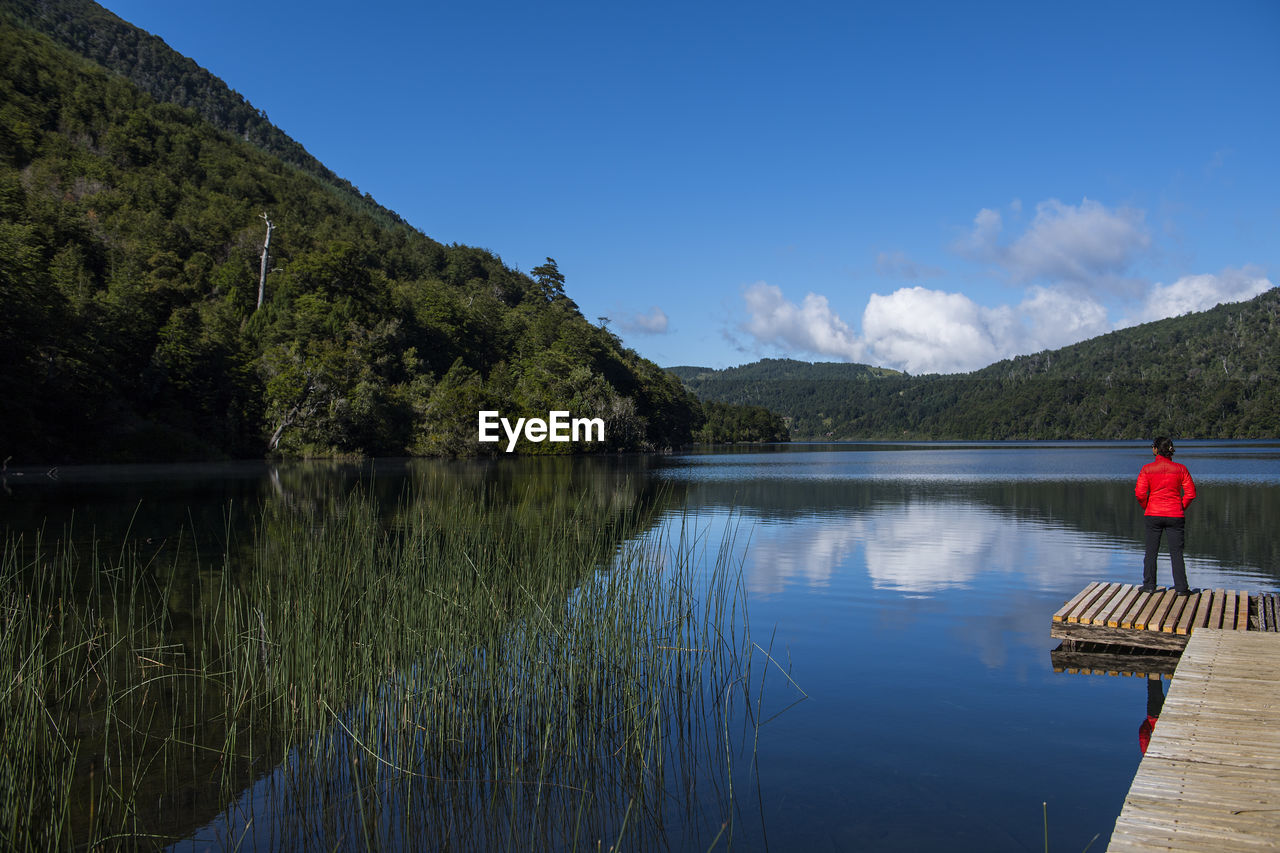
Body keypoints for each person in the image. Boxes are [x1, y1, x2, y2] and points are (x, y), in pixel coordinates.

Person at [1134, 436, 1197, 595]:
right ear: (1170, 450)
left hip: (1153, 514)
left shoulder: (1147, 469)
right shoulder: (1181, 469)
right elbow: (1190, 494)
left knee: (1151, 551)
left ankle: (1149, 585)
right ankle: (1181, 588)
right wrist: (1180, 507)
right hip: (1175, 514)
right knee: (1176, 553)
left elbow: (1140, 494)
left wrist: (1147, 507)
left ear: (1155, 449)